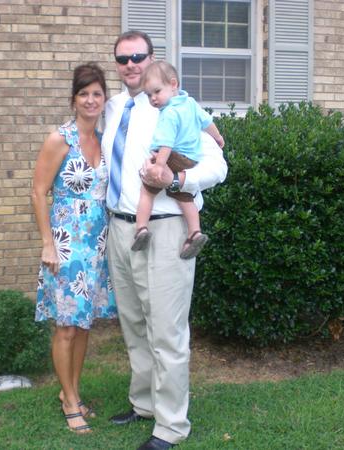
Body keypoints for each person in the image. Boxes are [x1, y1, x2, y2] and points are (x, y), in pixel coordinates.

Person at [102, 31, 227, 449]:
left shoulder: (177, 105)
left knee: (167, 331)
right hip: (122, 227)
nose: (131, 64)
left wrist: (176, 179)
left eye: (138, 56)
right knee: (134, 324)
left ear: (152, 59)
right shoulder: (113, 108)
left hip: (167, 227)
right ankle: (144, 404)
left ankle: (170, 426)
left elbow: (217, 165)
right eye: (122, 58)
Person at [32, 62, 117, 434]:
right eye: (84, 94)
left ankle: (73, 392)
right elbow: (38, 192)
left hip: (96, 244)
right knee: (66, 327)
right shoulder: (59, 139)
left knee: (83, 327)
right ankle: (68, 401)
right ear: (74, 99)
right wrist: (47, 244)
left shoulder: (104, 140)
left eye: (97, 93)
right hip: (65, 245)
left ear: (104, 99)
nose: (91, 100)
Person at [133, 60, 225, 258]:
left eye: (157, 92)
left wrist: (159, 165)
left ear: (173, 84)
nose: (153, 98)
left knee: (146, 192)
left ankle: (141, 229)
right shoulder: (190, 103)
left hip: (171, 157)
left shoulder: (168, 113)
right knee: (184, 196)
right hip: (190, 160)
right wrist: (218, 137)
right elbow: (207, 122)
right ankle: (195, 232)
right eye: (148, 95)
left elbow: (166, 143)